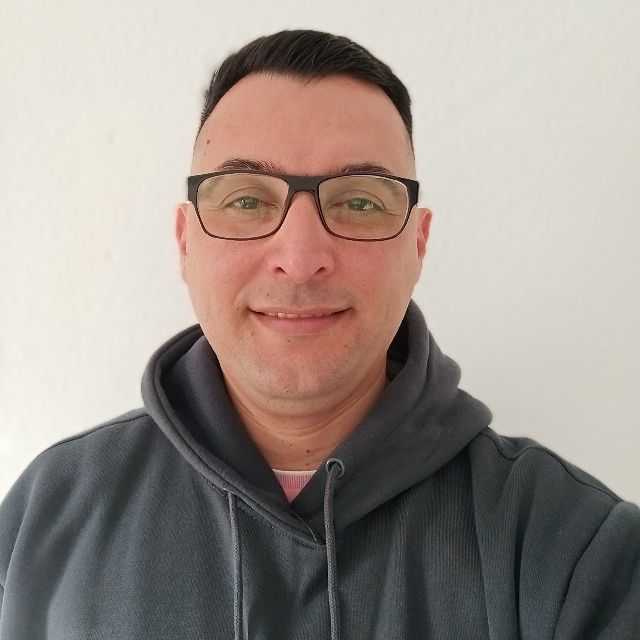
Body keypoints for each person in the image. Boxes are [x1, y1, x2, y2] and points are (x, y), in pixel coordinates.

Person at [0, 29, 638, 640]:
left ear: (418, 245)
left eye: (359, 201)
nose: (301, 258)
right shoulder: (43, 519)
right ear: (185, 240)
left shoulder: (581, 552)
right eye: (246, 200)